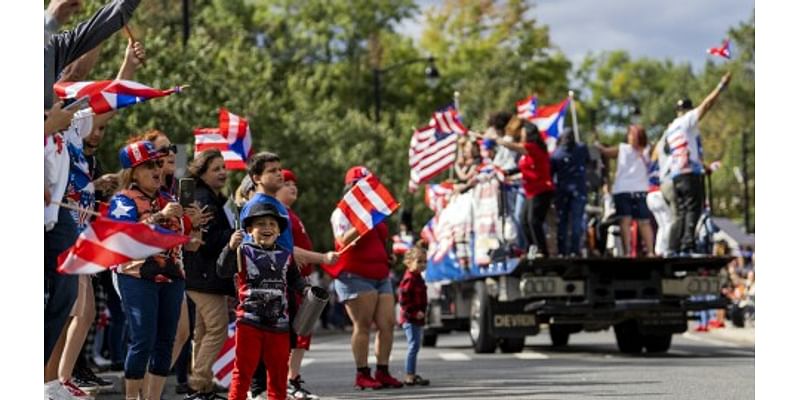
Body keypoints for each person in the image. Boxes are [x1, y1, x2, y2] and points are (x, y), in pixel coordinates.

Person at [107, 140, 194, 400]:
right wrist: (158, 216)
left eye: (158, 163)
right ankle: (132, 397)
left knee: (166, 341)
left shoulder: (169, 197)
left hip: (172, 276)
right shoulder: (123, 200)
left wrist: (192, 224)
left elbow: (180, 236)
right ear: (132, 172)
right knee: (143, 339)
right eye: (148, 166)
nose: (157, 170)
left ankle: (153, 397)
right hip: (137, 276)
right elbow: (124, 235)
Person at [216, 203, 309, 400]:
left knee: (278, 374)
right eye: (260, 224)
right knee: (243, 371)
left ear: (278, 230)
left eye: (272, 224)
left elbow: (295, 280)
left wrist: (307, 289)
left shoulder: (286, 254)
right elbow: (222, 270)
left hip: (279, 325)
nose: (267, 228)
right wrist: (230, 247)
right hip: (249, 322)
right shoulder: (242, 251)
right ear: (249, 230)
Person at [329, 166, 404, 390]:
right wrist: (363, 221)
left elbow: (380, 240)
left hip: (380, 275)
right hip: (354, 275)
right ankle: (362, 373)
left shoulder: (378, 213)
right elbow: (342, 241)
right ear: (349, 188)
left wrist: (387, 255)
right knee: (362, 325)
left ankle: (383, 371)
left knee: (387, 324)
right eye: (360, 184)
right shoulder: (341, 213)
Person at [661, 72, 733, 255]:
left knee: (683, 210)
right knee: (694, 208)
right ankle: (687, 245)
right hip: (689, 172)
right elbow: (707, 105)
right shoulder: (687, 121)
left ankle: (679, 246)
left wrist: (705, 166)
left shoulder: (671, 128)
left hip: (676, 174)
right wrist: (721, 86)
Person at [183, 149, 235, 400]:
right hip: (204, 276)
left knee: (203, 332)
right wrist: (234, 235)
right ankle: (198, 382)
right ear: (202, 174)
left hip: (206, 276)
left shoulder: (214, 198)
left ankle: (202, 387)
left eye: (224, 167)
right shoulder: (203, 199)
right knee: (218, 330)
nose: (223, 172)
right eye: (216, 169)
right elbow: (209, 241)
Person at [276, 169, 321, 400]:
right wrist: (322, 258)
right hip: (290, 281)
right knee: (295, 333)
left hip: (302, 281)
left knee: (303, 332)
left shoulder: (291, 213)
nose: (292, 187)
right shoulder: (279, 213)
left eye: (294, 183)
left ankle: (292, 377)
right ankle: (288, 380)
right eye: (286, 183)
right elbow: (289, 250)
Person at [489, 121, 555, 258]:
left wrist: (498, 140)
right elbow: (523, 169)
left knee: (534, 220)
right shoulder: (527, 154)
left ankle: (542, 251)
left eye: (523, 132)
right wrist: (508, 173)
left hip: (542, 190)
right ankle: (532, 248)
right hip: (531, 191)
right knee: (523, 219)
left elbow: (514, 147)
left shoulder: (534, 148)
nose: (521, 135)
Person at [595, 125, 655, 257]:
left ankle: (647, 251)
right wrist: (598, 146)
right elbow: (606, 152)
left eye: (633, 135)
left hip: (634, 189)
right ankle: (630, 251)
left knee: (639, 221)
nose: (631, 138)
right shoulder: (626, 149)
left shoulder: (644, 150)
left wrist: (598, 145)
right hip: (627, 189)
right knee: (629, 221)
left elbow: (606, 152)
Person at [550, 129, 589, 257]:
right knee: (576, 220)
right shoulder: (581, 148)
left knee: (563, 221)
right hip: (577, 189)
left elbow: (551, 173)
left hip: (563, 190)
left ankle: (563, 250)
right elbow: (588, 162)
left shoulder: (556, 154)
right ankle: (574, 249)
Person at [397, 242, 431, 387]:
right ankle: (409, 375)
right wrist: (414, 312)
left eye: (425, 262)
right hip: (410, 319)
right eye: (419, 261)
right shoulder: (409, 279)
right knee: (413, 346)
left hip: (417, 318)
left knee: (415, 346)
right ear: (408, 263)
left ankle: (412, 372)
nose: (423, 265)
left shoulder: (418, 277)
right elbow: (404, 301)